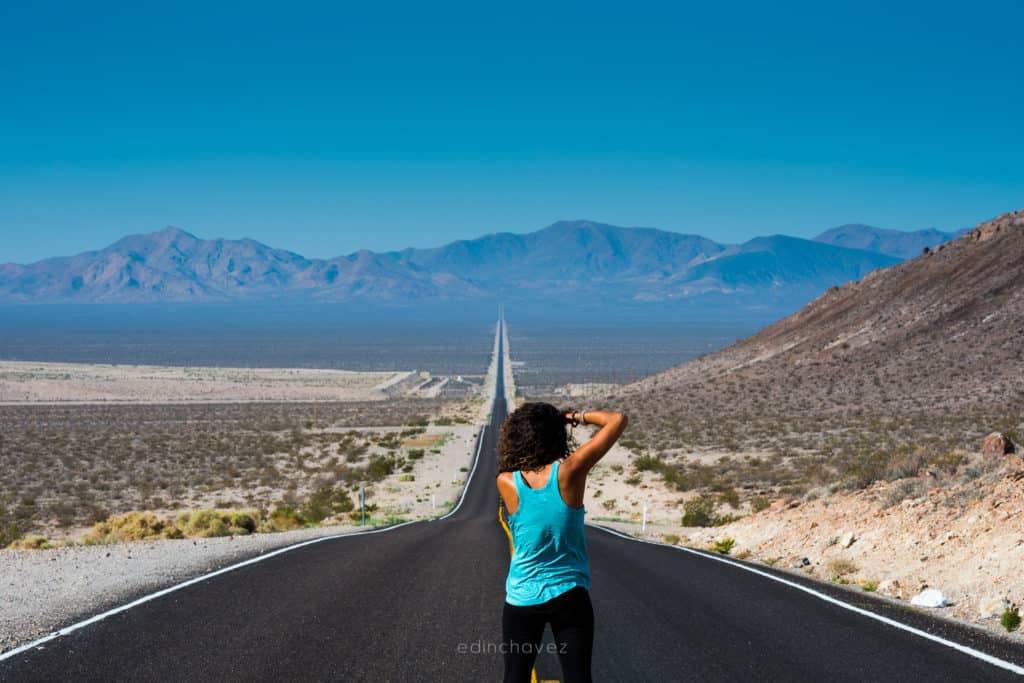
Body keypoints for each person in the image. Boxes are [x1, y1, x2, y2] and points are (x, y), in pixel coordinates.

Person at [496, 402, 628, 683]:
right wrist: (573, 417)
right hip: (569, 594)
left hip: (522, 597)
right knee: (578, 677)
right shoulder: (571, 472)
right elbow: (617, 420)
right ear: (557, 434)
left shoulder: (507, 481)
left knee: (515, 677)